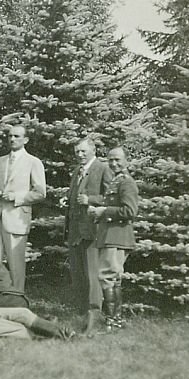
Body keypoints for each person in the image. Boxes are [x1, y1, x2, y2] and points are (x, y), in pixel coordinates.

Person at [0, 125, 46, 292]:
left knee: (16, 265)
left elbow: (40, 193)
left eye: (17, 136)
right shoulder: (1, 161)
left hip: (17, 217)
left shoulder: (33, 162)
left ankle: (17, 296)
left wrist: (16, 197)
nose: (12, 139)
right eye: (10, 136)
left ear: (25, 140)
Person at [63, 138, 113, 336]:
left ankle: (95, 315)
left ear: (93, 151)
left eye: (83, 151)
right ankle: (82, 314)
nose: (80, 155)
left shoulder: (103, 168)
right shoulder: (77, 170)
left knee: (93, 275)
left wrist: (90, 199)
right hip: (75, 230)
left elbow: (112, 197)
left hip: (93, 230)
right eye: (77, 151)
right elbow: (74, 195)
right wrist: (67, 200)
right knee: (79, 275)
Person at [88, 146, 139, 332]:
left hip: (117, 236)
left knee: (108, 277)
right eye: (110, 160)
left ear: (127, 160)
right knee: (112, 278)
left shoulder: (127, 182)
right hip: (110, 235)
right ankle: (115, 320)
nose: (113, 163)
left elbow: (130, 211)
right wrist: (98, 213)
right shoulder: (116, 180)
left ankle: (112, 322)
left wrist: (104, 211)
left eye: (118, 159)